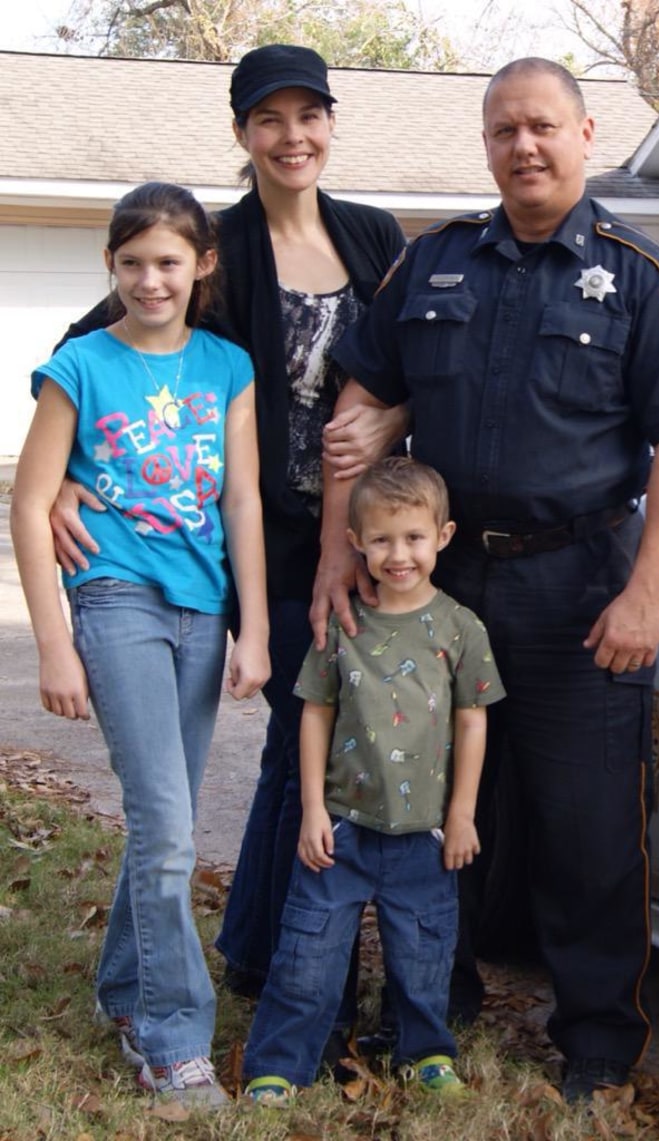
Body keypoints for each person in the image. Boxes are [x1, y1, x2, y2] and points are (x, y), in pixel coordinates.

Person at [310, 58, 659, 1103]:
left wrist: (646, 593)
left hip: (580, 588)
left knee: (586, 822)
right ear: (486, 141)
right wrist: (337, 552)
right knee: (423, 801)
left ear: (585, 135)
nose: (523, 146)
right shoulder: (434, 266)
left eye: (542, 127)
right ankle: (431, 1001)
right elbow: (358, 418)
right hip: (438, 586)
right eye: (504, 129)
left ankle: (596, 1044)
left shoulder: (644, 277)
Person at [44, 44, 408, 1004]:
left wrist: (394, 421)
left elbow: (415, 366)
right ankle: (272, 966)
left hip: (360, 539)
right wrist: (71, 479)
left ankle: (259, 952)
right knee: (304, 739)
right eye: (269, 119)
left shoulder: (374, 237)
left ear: (332, 123)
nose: (293, 137)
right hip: (256, 545)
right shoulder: (218, 241)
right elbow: (96, 343)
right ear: (243, 133)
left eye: (309, 115)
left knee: (310, 750)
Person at [10, 182, 271, 1108]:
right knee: (167, 826)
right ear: (110, 268)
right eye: (131, 263)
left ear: (202, 265)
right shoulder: (79, 365)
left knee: (167, 818)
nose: (149, 280)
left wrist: (255, 625)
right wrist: (53, 644)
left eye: (168, 262)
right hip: (116, 599)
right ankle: (170, 1037)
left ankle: (125, 988)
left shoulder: (227, 366)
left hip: (204, 608)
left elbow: (241, 499)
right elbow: (30, 505)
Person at [242, 457, 505, 1105]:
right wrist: (309, 809)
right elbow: (314, 714)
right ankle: (279, 1062)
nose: (399, 554)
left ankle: (425, 1052)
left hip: (426, 833)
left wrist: (464, 814)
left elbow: (473, 724)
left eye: (414, 537)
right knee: (307, 955)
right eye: (382, 539)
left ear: (442, 536)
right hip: (341, 826)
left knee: (422, 955)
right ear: (356, 540)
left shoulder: (460, 627)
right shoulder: (343, 626)